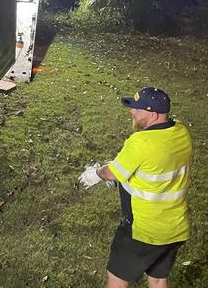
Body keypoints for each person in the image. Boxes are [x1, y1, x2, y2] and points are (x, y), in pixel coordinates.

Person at [78, 87, 192, 288]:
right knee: (157, 279)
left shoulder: (141, 142)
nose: (132, 112)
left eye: (137, 109)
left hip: (144, 229)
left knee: (117, 279)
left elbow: (112, 172)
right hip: (174, 227)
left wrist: (95, 174)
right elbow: (152, 165)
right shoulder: (181, 133)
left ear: (153, 115)